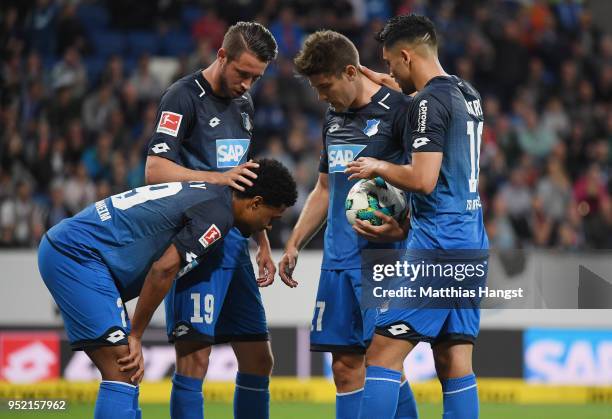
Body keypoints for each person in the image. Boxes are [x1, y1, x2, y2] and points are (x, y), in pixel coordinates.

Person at [38, 158, 297, 419]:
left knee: (126, 372)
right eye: (271, 217)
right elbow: (163, 270)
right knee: (123, 368)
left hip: (75, 250)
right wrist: (136, 335)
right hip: (76, 255)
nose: (269, 226)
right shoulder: (218, 215)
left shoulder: (210, 194)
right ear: (255, 202)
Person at [346, 15, 489, 419]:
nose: (390, 71)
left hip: (439, 244)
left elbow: (423, 179)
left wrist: (377, 166)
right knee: (453, 361)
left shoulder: (428, 102)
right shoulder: (467, 92)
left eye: (392, 63)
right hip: (471, 238)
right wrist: (402, 90)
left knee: (380, 356)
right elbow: (437, 115)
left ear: (406, 56)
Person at [280, 30, 417, 419]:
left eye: (325, 86)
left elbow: (425, 179)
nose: (321, 96)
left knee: (380, 359)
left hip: (382, 259)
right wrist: (294, 243)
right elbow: (325, 188)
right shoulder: (333, 116)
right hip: (337, 259)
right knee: (344, 368)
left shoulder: (400, 110)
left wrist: (404, 227)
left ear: (351, 71)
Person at [144, 22, 278, 419]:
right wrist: (217, 178)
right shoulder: (182, 97)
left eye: (256, 77)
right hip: (194, 243)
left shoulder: (244, 105)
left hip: (234, 244)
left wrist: (263, 242)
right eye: (243, 73)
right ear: (222, 56)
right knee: (194, 361)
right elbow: (154, 170)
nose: (247, 85)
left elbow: (243, 185)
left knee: (259, 359)